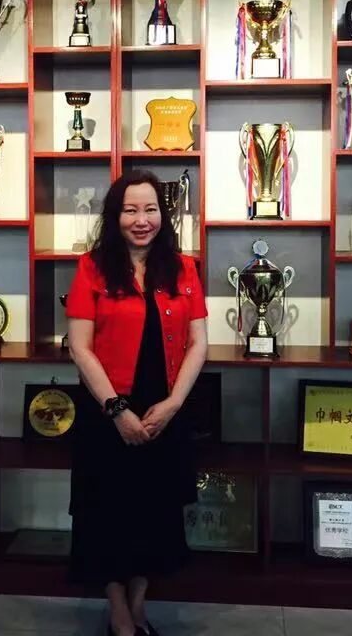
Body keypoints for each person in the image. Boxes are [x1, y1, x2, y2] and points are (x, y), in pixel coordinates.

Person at [65, 169, 208, 636]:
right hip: (107, 410)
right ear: (115, 216)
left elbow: (199, 343)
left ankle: (139, 603)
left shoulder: (183, 268)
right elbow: (79, 347)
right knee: (104, 512)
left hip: (163, 411)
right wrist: (115, 410)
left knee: (156, 512)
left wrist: (173, 404)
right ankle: (119, 613)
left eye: (150, 209)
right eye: (130, 210)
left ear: (163, 215)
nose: (141, 220)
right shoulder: (92, 267)